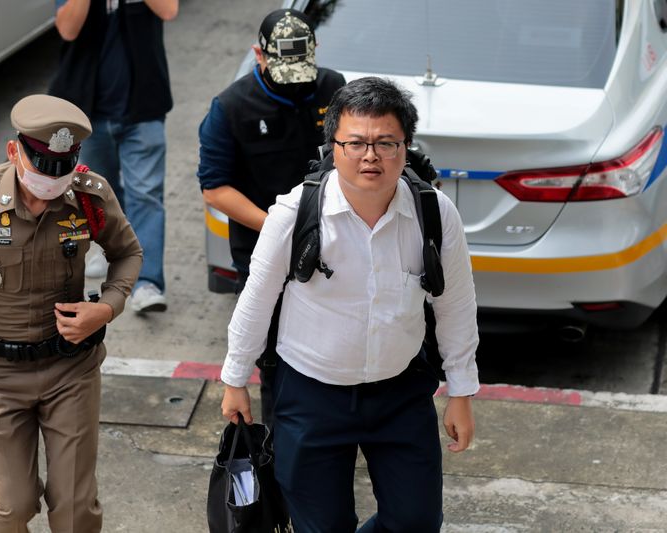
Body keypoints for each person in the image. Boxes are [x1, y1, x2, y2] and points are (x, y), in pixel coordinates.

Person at [220, 77, 480, 532]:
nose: (370, 156)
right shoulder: (294, 213)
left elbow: (455, 304)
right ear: (333, 146)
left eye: (386, 142)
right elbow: (256, 299)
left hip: (400, 391)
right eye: (356, 142)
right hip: (310, 394)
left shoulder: (435, 214)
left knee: (416, 521)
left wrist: (461, 391)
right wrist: (235, 378)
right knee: (322, 525)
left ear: (405, 146)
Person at [0, 94, 143, 533]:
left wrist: (105, 309)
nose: (51, 181)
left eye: (62, 169)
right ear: (13, 151)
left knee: (76, 509)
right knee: (13, 506)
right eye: (41, 167)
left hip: (71, 371)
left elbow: (128, 254)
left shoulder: (88, 197)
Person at [197, 8, 345, 426]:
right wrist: (282, 229)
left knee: (334, 352)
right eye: (284, 70)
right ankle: (283, 454)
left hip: (337, 247)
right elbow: (214, 187)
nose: (297, 81)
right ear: (258, 56)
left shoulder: (334, 88)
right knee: (277, 359)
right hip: (265, 253)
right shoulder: (230, 107)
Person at [50, 0, 178, 313]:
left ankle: (146, 282)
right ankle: (109, 250)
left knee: (145, 195)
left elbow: (168, 9)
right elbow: (67, 28)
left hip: (143, 107)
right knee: (94, 194)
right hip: (88, 110)